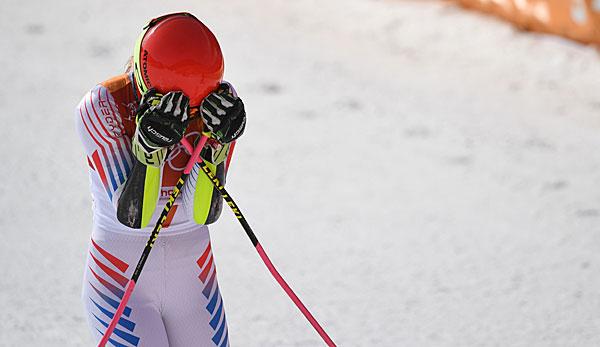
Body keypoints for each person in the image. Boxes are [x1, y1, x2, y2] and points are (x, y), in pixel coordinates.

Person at [75, 12, 246, 347]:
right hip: (119, 281)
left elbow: (203, 214)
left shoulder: (218, 102)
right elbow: (134, 218)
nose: (188, 115)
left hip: (194, 277)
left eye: (194, 109)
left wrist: (218, 145)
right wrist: (148, 151)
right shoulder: (102, 106)